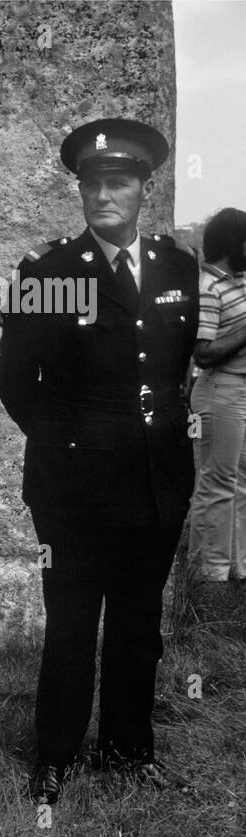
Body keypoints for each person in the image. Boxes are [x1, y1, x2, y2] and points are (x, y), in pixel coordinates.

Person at [0, 118, 200, 805]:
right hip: (74, 488)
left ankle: (127, 748)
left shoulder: (178, 267)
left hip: (156, 479)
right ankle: (54, 754)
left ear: (146, 187)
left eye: (118, 182)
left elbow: (174, 369)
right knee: (74, 624)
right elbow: (19, 383)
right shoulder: (48, 272)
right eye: (92, 183)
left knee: (139, 625)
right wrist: (70, 447)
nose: (103, 195)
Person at [188, 207, 246, 584]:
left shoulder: (238, 280)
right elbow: (202, 353)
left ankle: (236, 568)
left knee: (238, 482)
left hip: (239, 390)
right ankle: (206, 576)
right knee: (216, 483)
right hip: (218, 390)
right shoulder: (207, 287)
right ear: (236, 244)